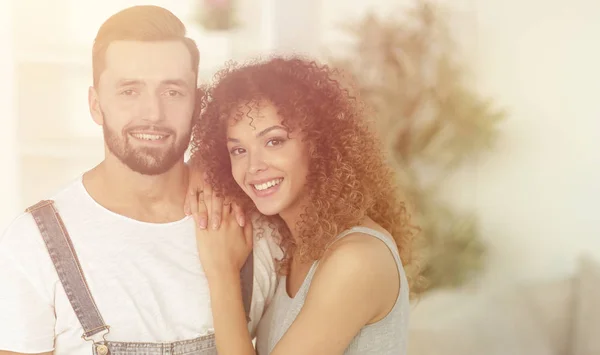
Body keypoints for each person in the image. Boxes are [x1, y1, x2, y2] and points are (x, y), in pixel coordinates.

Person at [0, 6, 280, 355]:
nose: (153, 114)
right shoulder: (33, 244)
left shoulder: (250, 226)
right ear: (95, 104)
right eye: (130, 91)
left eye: (173, 91)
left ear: (196, 103)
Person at [188, 57, 419, 355]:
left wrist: (222, 273)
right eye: (238, 150)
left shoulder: (356, 259)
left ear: (318, 143)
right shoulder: (296, 245)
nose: (253, 166)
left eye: (274, 141)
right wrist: (200, 169)